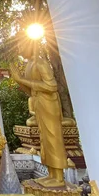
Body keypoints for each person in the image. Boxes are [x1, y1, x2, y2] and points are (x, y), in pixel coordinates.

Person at [9, 35, 67, 188]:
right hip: (39, 103)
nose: (19, 49)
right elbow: (30, 90)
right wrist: (18, 79)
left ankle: (59, 177)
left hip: (49, 103)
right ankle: (51, 174)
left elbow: (51, 86)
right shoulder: (29, 64)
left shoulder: (41, 62)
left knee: (53, 137)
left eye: (21, 45)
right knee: (44, 138)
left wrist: (22, 79)